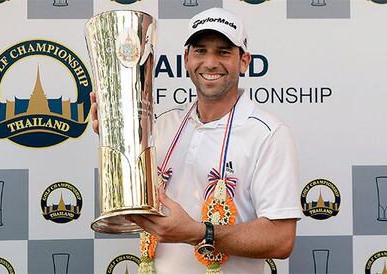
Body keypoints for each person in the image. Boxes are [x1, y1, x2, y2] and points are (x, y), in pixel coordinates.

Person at [90, 7, 301, 274]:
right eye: (200, 50)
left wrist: (200, 233)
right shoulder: (162, 126)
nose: (210, 62)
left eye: (223, 51)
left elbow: (281, 240)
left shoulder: (269, 134)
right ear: (187, 58)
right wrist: (117, 133)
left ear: (244, 60)